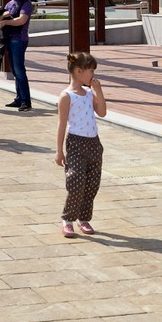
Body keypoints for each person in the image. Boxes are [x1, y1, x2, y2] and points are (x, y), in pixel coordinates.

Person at [54, 52, 108, 237]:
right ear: (78, 71)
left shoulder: (89, 94)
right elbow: (62, 125)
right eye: (90, 70)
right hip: (76, 144)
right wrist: (59, 151)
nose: (93, 74)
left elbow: (102, 112)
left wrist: (98, 91)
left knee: (92, 183)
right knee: (76, 182)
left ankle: (83, 219)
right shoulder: (66, 96)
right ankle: (68, 219)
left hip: (94, 144)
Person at [0, 0, 35, 111]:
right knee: (14, 70)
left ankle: (26, 101)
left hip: (19, 40)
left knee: (19, 71)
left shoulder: (26, 3)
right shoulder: (9, 4)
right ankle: (19, 98)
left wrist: (6, 22)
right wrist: (2, 15)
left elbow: (21, 20)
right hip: (9, 39)